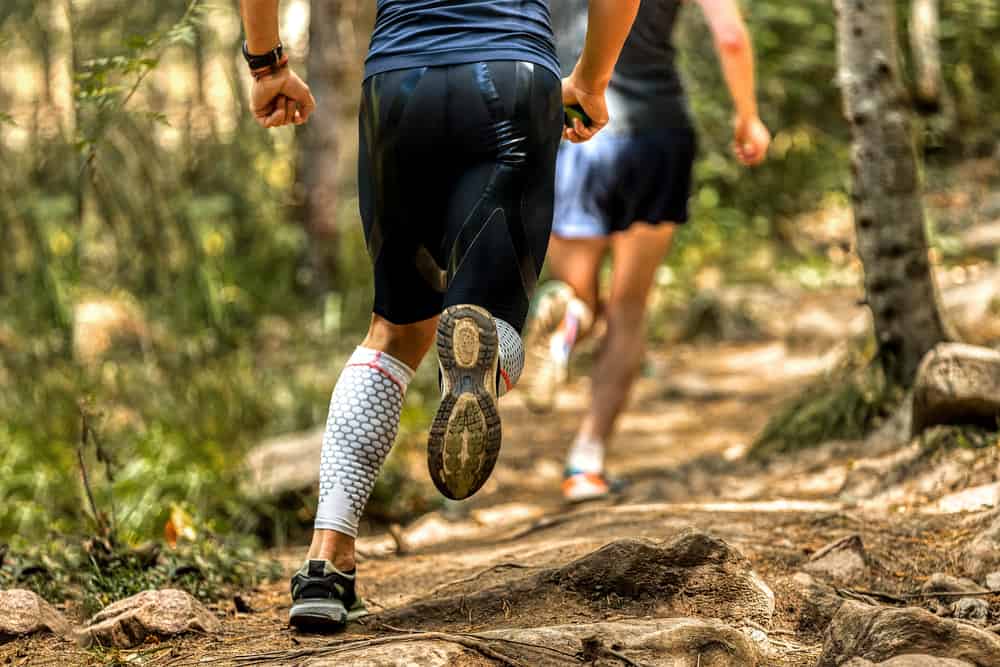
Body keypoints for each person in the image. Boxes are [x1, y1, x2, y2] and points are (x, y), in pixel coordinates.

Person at [238, 0, 641, 630]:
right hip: (512, 77)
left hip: (400, 84)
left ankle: (326, 563)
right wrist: (590, 79)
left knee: (394, 330)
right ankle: (478, 353)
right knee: (490, 310)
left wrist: (266, 63)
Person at [524, 0, 772, 502]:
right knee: (628, 308)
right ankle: (586, 462)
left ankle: (566, 326)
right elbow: (729, 35)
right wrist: (748, 118)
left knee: (581, 297)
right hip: (656, 132)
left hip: (570, 127)